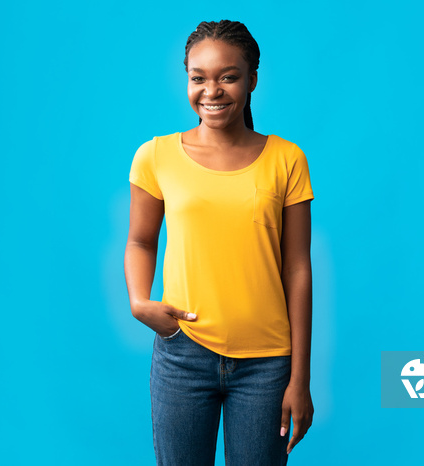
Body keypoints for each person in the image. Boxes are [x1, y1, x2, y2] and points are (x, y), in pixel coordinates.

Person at [124, 19, 314, 466]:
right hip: (182, 353)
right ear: (187, 80)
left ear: (252, 80)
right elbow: (140, 240)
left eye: (228, 76)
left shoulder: (287, 160)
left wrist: (299, 378)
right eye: (199, 78)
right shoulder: (156, 157)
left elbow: (298, 269)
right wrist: (139, 301)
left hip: (268, 364)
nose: (212, 90)